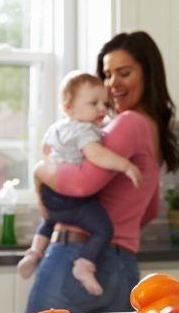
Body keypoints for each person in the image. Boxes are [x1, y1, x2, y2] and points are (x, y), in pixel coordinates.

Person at [24, 31, 179, 313]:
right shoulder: (153, 129)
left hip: (77, 259)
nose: (112, 85)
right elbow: (149, 210)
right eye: (107, 75)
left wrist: (39, 171)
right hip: (123, 268)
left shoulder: (129, 123)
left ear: (149, 74)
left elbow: (83, 183)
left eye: (124, 73)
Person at [16, 70, 141, 296]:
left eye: (105, 102)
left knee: (49, 220)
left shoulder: (57, 127)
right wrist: (126, 165)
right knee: (103, 229)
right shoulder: (85, 130)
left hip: (49, 195)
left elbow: (45, 151)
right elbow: (96, 155)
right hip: (73, 200)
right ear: (69, 108)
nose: (102, 108)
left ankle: (34, 253)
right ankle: (84, 265)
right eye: (93, 103)